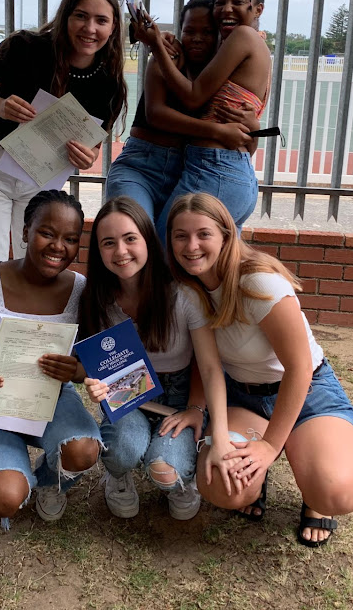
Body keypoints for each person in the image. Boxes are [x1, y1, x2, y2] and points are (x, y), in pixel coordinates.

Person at [166, 193, 353, 547]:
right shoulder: (189, 289)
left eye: (203, 234)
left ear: (227, 236)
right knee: (222, 486)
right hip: (244, 395)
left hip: (305, 392)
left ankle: (313, 493)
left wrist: (271, 445)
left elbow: (300, 367)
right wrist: (212, 427)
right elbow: (209, 366)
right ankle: (259, 476)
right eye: (180, 235)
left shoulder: (257, 282)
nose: (191, 245)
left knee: (337, 493)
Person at [0, 190, 102, 527]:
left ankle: (46, 483)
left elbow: (93, 363)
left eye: (71, 239)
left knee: (84, 450)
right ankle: (8, 469)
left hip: (50, 399)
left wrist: (76, 370)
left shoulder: (83, 292)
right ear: (25, 232)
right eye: (47, 233)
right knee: (4, 497)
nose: (59, 246)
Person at [79, 196, 237, 520]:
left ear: (148, 240)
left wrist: (196, 409)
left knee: (164, 470)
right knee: (122, 450)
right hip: (128, 395)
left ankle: (182, 479)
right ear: (98, 250)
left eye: (130, 239)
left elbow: (207, 364)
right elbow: (91, 362)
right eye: (109, 243)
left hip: (180, 396)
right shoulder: (97, 298)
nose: (121, 252)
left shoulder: (183, 295)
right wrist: (92, 382)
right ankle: (118, 475)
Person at [0, 0, 127, 273]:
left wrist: (87, 157)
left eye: (101, 20)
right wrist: (0, 106)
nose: (90, 28)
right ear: (65, 17)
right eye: (81, 16)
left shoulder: (109, 84)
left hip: (41, 177)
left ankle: (20, 322)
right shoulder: (24, 48)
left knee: (32, 268)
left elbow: (92, 148)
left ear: (113, 27)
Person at [133, 0, 272, 236]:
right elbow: (245, 137)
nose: (226, 9)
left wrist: (155, 46)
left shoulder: (242, 36)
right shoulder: (254, 43)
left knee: (165, 255)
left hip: (214, 169)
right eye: (220, 2)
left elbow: (193, 97)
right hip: (235, 173)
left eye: (238, 1)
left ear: (257, 9)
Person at [105, 0, 253, 226]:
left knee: (177, 251)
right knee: (132, 232)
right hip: (141, 166)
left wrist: (253, 126)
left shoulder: (224, 77)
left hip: (187, 174)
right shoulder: (168, 57)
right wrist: (217, 132)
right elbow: (156, 114)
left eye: (207, 32)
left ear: (221, 36)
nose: (197, 38)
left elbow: (243, 137)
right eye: (189, 30)